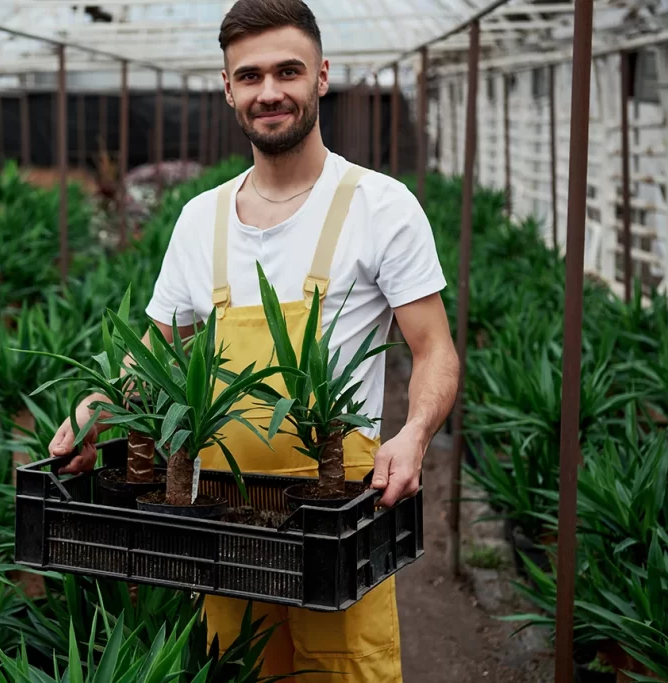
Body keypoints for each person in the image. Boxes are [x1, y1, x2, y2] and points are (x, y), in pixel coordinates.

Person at [48, 0, 460, 680]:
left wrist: (414, 433)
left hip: (339, 519)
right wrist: (101, 404)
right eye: (251, 76)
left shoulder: (380, 206)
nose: (270, 91)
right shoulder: (199, 219)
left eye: (288, 71)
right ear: (228, 88)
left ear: (322, 76)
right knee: (236, 669)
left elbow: (435, 348)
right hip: (224, 521)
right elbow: (156, 348)